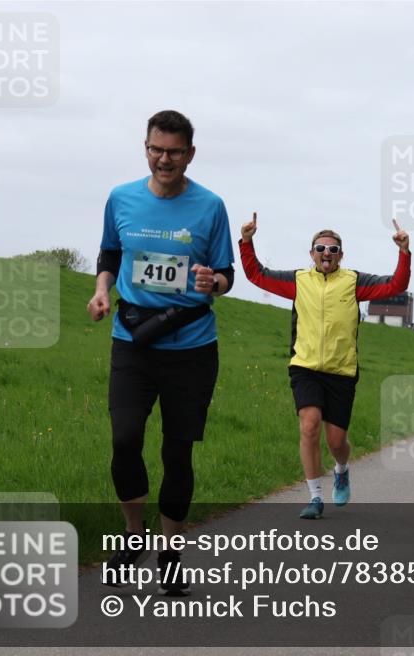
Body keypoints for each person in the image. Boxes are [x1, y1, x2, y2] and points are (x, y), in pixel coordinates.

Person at [88, 110, 235, 596]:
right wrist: (102, 291)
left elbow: (226, 275)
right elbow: (110, 254)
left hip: (191, 346)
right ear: (145, 148)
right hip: (132, 340)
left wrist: (213, 280)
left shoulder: (210, 206)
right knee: (125, 438)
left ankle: (170, 551)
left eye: (174, 151)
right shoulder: (121, 198)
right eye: (156, 149)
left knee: (177, 451)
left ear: (190, 154)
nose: (164, 159)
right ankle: (135, 536)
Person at [240, 215, 410, 519]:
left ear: (341, 255)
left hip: (341, 371)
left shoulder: (355, 282)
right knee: (309, 425)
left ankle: (342, 469)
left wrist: (404, 251)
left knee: (336, 442)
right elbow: (256, 275)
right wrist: (247, 241)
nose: (326, 253)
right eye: (320, 248)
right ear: (311, 254)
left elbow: (397, 284)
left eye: (333, 249)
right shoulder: (298, 281)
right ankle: (315, 497)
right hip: (304, 366)